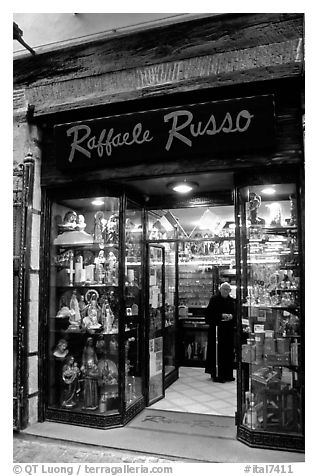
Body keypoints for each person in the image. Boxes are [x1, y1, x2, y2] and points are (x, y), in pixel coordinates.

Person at [205, 282, 236, 383]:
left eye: (228, 290)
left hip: (228, 331)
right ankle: (217, 375)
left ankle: (227, 374)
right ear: (220, 289)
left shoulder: (232, 301)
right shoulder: (214, 299)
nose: (226, 292)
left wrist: (232, 316)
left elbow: (235, 314)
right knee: (217, 353)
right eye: (224, 289)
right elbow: (209, 315)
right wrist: (221, 316)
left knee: (228, 353)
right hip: (217, 331)